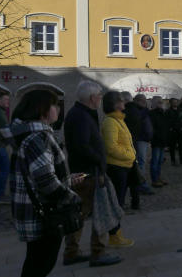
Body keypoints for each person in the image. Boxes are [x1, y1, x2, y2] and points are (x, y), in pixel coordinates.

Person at [1, 90, 88, 277]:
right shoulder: (37, 137)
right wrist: (72, 196)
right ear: (42, 110)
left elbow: (40, 174)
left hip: (34, 209)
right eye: (55, 105)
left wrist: (67, 180)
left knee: (36, 261)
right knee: (41, 264)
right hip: (45, 214)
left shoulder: (30, 135)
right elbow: (46, 182)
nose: (58, 109)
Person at [64, 81, 122, 267]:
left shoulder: (80, 113)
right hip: (89, 172)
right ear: (92, 98)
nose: (100, 98)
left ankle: (71, 252)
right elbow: (82, 145)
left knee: (79, 213)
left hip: (84, 171)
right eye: (99, 95)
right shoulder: (81, 116)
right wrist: (99, 159)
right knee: (100, 212)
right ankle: (98, 252)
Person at [100, 91, 136, 248]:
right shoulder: (110, 122)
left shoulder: (118, 120)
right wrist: (129, 155)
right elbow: (111, 147)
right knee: (116, 202)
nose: (124, 103)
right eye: (121, 101)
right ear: (115, 104)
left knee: (119, 201)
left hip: (125, 166)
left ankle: (117, 233)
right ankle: (114, 235)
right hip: (116, 167)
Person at [131, 94, 154, 195]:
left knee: (142, 162)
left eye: (145, 100)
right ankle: (141, 184)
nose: (145, 102)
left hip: (144, 139)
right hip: (140, 139)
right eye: (142, 100)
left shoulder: (144, 111)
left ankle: (141, 183)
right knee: (141, 162)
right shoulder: (138, 111)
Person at [149, 96, 169, 188]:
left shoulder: (163, 113)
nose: (161, 104)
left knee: (160, 161)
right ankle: (155, 179)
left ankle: (158, 177)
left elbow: (164, 127)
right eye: (159, 102)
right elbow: (154, 128)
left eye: (161, 102)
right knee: (155, 161)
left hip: (162, 140)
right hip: (156, 141)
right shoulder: (152, 114)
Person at [166, 98, 182, 166]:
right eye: (174, 102)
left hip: (180, 131)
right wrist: (170, 128)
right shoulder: (168, 111)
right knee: (172, 147)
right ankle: (173, 160)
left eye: (176, 102)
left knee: (181, 146)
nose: (175, 103)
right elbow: (167, 121)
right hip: (173, 131)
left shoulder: (180, 110)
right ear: (171, 103)